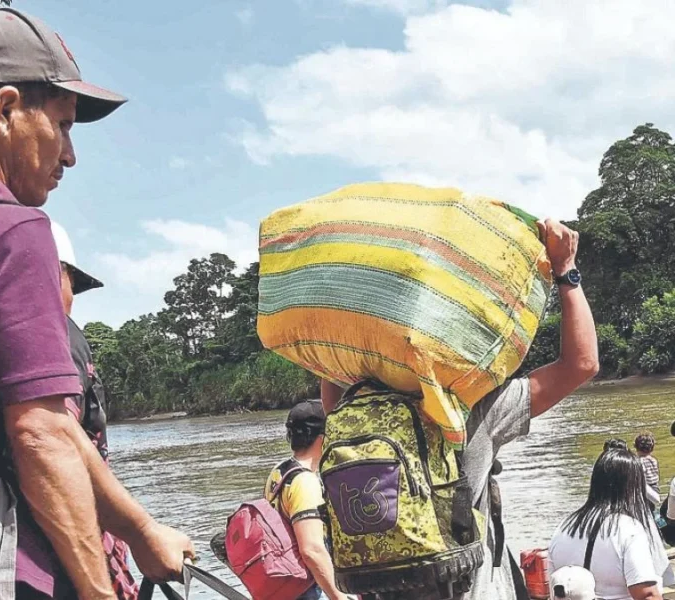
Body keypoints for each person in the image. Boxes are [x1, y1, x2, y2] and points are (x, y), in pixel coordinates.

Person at [0, 8, 193, 599]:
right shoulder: (10, 229)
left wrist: (141, 529)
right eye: (64, 126)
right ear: (5, 109)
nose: (70, 155)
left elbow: (55, 429)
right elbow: (41, 434)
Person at [322, 219, 600, 600]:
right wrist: (566, 271)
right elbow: (581, 365)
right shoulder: (473, 408)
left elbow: (328, 362)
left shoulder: (347, 413)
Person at [50, 220, 138, 599]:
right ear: (56, 273)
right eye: (71, 282)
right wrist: (142, 531)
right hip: (74, 541)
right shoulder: (59, 335)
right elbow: (56, 445)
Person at [548, 449, 669, 600]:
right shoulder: (628, 529)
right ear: (633, 487)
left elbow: (553, 586)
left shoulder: (564, 527)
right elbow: (647, 595)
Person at [266, 400, 352, 600]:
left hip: (286, 583)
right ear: (322, 438)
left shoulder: (280, 471)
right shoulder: (306, 482)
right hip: (309, 589)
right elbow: (311, 550)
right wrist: (339, 597)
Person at [636, 432, 661, 508]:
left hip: (646, 488)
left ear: (636, 447)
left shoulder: (640, 461)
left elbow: (641, 476)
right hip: (655, 487)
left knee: (644, 507)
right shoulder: (653, 460)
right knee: (651, 508)